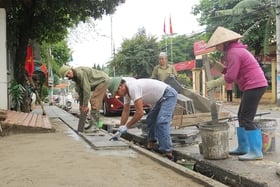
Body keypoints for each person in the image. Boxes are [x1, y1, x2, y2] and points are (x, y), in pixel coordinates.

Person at [205, 26, 268, 161]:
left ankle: (256, 151)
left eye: (217, 45)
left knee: (246, 118)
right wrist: (220, 67)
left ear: (224, 43)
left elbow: (230, 77)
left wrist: (214, 83)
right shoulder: (235, 51)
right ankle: (243, 147)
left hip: (254, 85)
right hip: (252, 85)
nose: (216, 48)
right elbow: (233, 71)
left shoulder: (233, 52)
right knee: (241, 116)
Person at [108, 77, 178, 161]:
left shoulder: (133, 87)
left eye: (117, 92)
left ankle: (168, 152)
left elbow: (140, 113)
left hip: (168, 95)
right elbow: (125, 111)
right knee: (150, 119)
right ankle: (151, 142)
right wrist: (120, 128)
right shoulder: (126, 93)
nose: (117, 95)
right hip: (160, 98)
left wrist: (127, 126)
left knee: (162, 122)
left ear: (121, 86)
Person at [59, 65, 109, 132]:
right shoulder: (76, 78)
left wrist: (85, 106)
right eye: (67, 76)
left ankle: (94, 126)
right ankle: (92, 125)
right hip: (98, 82)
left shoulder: (79, 73)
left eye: (69, 73)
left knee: (94, 100)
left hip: (103, 80)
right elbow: (81, 92)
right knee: (92, 101)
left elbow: (86, 89)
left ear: (71, 69)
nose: (69, 75)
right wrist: (81, 105)